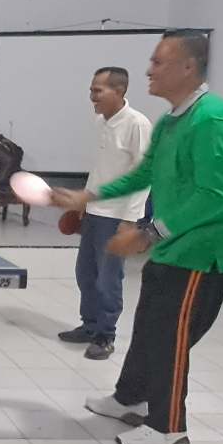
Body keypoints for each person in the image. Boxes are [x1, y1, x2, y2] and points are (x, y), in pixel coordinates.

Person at [50, 30, 223, 444]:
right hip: (174, 246)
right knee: (148, 328)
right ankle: (129, 397)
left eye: (158, 61)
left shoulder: (211, 120)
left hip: (203, 253)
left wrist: (148, 233)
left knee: (170, 338)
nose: (149, 70)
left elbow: (214, 196)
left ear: (188, 67)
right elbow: (144, 173)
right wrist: (89, 195)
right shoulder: (173, 119)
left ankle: (168, 427)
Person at [58, 67, 154, 361]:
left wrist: (130, 221)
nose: (92, 96)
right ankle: (89, 325)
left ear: (119, 91)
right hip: (94, 212)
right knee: (85, 272)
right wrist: (83, 203)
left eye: (97, 90)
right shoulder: (101, 121)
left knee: (108, 278)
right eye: (91, 90)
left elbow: (143, 176)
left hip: (118, 216)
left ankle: (105, 335)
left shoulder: (138, 124)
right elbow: (100, 169)